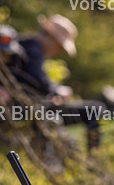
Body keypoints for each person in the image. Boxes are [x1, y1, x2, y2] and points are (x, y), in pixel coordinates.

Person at [5, 15, 102, 151]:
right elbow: (38, 81)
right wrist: (57, 91)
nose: (59, 51)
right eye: (60, 46)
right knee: (95, 109)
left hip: (26, 107)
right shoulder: (33, 49)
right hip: (27, 109)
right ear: (51, 37)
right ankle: (94, 156)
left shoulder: (25, 45)